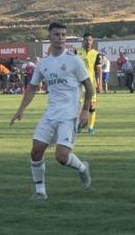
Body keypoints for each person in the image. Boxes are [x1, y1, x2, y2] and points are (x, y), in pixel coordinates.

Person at [10, 22, 94, 201]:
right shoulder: (43, 64)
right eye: (57, 35)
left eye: (64, 35)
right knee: (35, 151)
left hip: (69, 115)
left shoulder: (74, 60)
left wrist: (85, 110)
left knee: (62, 157)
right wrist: (21, 109)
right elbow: (32, 88)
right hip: (50, 114)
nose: (61, 38)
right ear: (50, 37)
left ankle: (82, 167)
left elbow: (89, 87)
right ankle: (40, 191)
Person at [78, 34, 100, 133]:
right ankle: (78, 125)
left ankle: (90, 128)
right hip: (79, 84)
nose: (88, 42)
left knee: (92, 105)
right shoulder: (77, 52)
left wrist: (99, 83)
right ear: (83, 41)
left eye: (90, 40)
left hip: (91, 83)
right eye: (86, 40)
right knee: (78, 106)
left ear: (92, 41)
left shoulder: (96, 53)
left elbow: (98, 69)